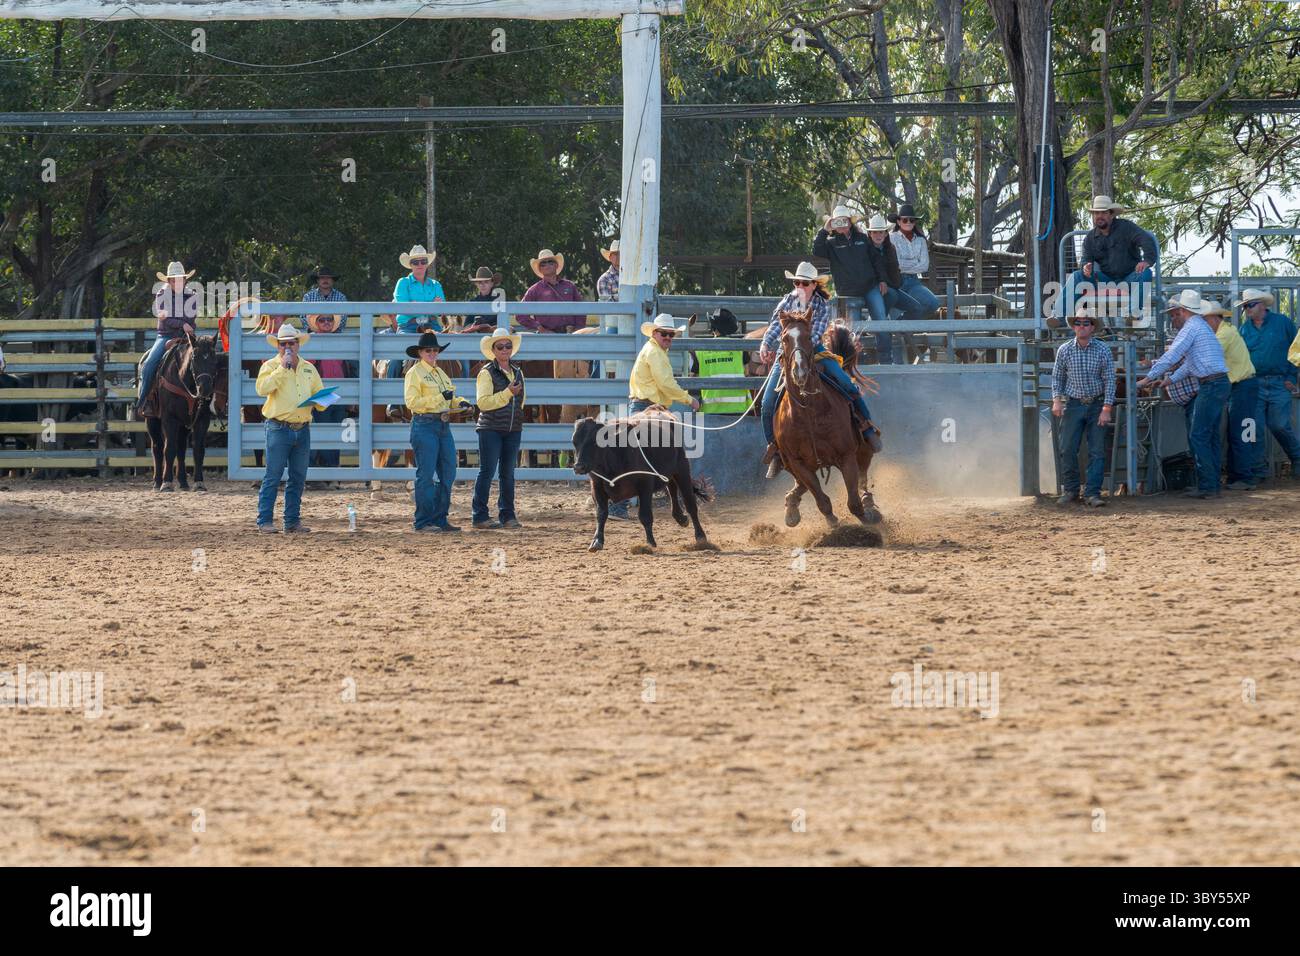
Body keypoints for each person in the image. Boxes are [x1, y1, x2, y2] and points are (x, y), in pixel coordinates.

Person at [758, 262, 881, 479]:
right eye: (797, 282)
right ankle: (775, 448)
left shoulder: (821, 304)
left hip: (815, 351)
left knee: (845, 382)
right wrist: (765, 345)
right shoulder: (787, 301)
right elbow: (774, 327)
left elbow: (816, 334)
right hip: (786, 356)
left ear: (814, 284)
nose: (800, 286)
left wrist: (801, 348)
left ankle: (867, 427)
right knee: (767, 403)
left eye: (805, 283)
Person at [1136, 290, 1229, 499]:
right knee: (1209, 435)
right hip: (1217, 382)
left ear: (1181, 311)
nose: (1172, 317)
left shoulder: (1191, 328)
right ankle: (1211, 484)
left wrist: (1147, 379)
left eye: (1174, 313)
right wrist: (1168, 380)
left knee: (1198, 435)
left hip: (1211, 384)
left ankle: (1207, 485)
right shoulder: (1201, 327)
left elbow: (1172, 356)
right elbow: (1188, 364)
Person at [255, 322, 325, 533]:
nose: (287, 347)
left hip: (302, 427)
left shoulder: (308, 368)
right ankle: (264, 521)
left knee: (297, 477)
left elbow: (319, 394)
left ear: (298, 345)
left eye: (291, 343)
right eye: (283, 344)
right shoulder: (270, 366)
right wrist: (282, 370)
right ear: (277, 346)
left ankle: (292, 521)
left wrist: (322, 401)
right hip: (278, 427)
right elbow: (261, 389)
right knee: (273, 476)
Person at [404, 331, 473, 533]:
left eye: (435, 350)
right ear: (420, 353)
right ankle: (423, 521)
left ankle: (440, 518)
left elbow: (450, 397)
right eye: (428, 350)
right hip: (424, 424)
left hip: (441, 425)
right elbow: (412, 403)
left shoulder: (441, 373)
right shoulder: (414, 373)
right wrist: (439, 398)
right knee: (426, 475)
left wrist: (461, 403)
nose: (432, 353)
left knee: (448, 473)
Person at [1050, 306, 1116, 507]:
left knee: (1097, 450)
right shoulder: (1065, 350)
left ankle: (1092, 493)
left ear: (1093, 327)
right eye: (1077, 323)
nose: (1080, 326)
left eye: (1085, 323)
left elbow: (1110, 380)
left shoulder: (1102, 349)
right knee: (1067, 448)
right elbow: (1058, 377)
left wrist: (1106, 408)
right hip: (1074, 403)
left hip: (1096, 403)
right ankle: (1071, 490)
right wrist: (1057, 399)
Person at [1059, 195, 1157, 322]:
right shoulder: (1089, 238)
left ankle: (1133, 315)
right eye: (1096, 213)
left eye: (1104, 213)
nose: (1099, 216)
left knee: (1146, 272)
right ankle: (1059, 316)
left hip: (1129, 279)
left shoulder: (1127, 227)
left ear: (1111, 215)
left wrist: (1147, 261)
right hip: (1104, 281)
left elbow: (1147, 240)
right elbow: (1085, 260)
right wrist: (1085, 267)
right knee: (1077, 276)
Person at [1236, 288, 1300, 483]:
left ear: (1262, 305)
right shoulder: (1244, 329)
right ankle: (1257, 470)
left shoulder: (1283, 323)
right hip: (1254, 383)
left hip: (1280, 381)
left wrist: (1292, 376)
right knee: (1254, 428)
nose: (1246, 309)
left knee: (1279, 424)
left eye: (1250, 305)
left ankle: (1297, 458)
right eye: (1245, 306)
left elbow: (1297, 348)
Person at [1200, 300, 1259, 491]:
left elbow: (1206, 354)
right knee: (1242, 431)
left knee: (1241, 431)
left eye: (1205, 319)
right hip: (1242, 385)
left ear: (1214, 318)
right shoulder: (1226, 331)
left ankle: (1245, 476)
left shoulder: (1223, 334)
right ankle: (1241, 475)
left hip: (1243, 385)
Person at [472, 330, 526, 530]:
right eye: (500, 347)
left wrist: (516, 416)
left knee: (507, 473)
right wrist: (507, 393)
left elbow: (522, 400)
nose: (505, 350)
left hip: (512, 428)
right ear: (493, 350)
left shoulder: (518, 372)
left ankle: (507, 514)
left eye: (508, 346)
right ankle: (480, 515)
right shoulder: (485, 372)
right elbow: (483, 403)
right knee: (487, 472)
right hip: (491, 428)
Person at [863, 213, 925, 364]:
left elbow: (895, 270)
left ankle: (895, 327)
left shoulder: (890, 248)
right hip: (874, 289)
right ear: (870, 233)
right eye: (875, 232)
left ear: (885, 233)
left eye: (881, 231)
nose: (878, 235)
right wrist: (880, 281)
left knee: (916, 308)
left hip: (890, 288)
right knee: (884, 316)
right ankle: (885, 360)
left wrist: (892, 283)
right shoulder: (865, 249)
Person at [384, 245, 446, 396]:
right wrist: (431, 306)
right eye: (415, 262)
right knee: (395, 360)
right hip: (409, 326)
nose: (420, 265)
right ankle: (392, 398)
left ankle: (462, 397)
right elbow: (404, 308)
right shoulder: (403, 283)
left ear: (427, 263)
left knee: (459, 358)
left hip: (432, 326)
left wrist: (415, 305)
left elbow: (443, 309)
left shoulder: (436, 284)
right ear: (410, 265)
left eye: (423, 261)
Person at [138, 261, 199, 413]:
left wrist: (186, 325)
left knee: (205, 358)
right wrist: (182, 324)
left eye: (180, 279)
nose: (177, 282)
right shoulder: (161, 295)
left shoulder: (191, 295)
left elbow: (191, 317)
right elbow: (164, 316)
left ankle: (206, 402)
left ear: (185, 280)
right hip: (166, 336)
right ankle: (145, 400)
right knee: (150, 364)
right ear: (169, 281)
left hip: (186, 336)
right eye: (174, 279)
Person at [812, 205, 873, 320]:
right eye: (837, 221)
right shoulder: (831, 243)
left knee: (880, 315)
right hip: (846, 292)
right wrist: (825, 230)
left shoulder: (863, 238)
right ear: (833, 224)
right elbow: (817, 251)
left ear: (850, 222)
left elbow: (874, 259)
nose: (841, 224)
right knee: (852, 327)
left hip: (868, 288)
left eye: (844, 220)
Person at [889, 203, 941, 320]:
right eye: (905, 220)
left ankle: (901, 324)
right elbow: (895, 264)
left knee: (933, 303)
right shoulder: (891, 238)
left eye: (911, 220)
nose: (908, 222)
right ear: (898, 222)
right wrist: (915, 262)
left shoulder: (921, 240)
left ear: (914, 222)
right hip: (896, 281)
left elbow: (924, 266)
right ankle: (900, 330)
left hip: (913, 282)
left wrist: (903, 264)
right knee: (892, 308)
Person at [519, 249, 585, 333]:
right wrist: (540, 328)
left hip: (571, 333)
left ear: (556, 265)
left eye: (550, 262)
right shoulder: (534, 290)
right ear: (540, 269)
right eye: (543, 264)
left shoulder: (570, 286)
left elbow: (581, 309)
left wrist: (577, 329)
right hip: (546, 336)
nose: (547, 265)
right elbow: (520, 314)